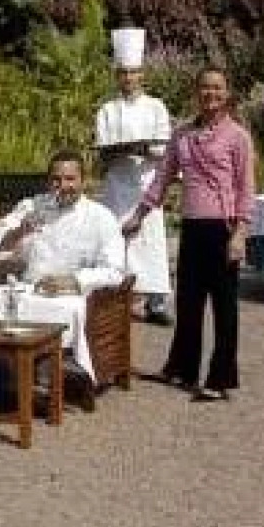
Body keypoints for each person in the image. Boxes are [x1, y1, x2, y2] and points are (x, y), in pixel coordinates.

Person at [130, 68, 255, 402]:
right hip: (192, 226)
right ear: (196, 92)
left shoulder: (238, 137)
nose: (209, 94)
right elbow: (163, 176)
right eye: (204, 87)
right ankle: (182, 366)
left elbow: (246, 188)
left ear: (227, 94)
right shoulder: (182, 134)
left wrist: (240, 233)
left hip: (222, 228)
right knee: (188, 302)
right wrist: (140, 214)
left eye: (217, 88)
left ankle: (221, 377)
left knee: (224, 306)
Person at [0, 149, 125, 383]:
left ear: (82, 180)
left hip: (71, 294)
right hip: (28, 289)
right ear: (48, 181)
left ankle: (52, 373)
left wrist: (74, 281)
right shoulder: (32, 206)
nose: (62, 186)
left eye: (70, 179)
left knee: (69, 310)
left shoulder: (101, 217)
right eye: (56, 179)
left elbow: (115, 270)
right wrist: (17, 232)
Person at [95, 27, 172, 325]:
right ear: (117, 75)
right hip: (117, 183)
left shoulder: (156, 106)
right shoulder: (107, 110)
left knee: (150, 240)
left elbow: (165, 146)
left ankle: (156, 302)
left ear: (142, 74)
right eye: (123, 72)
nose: (129, 78)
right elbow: (102, 149)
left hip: (146, 183)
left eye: (134, 72)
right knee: (116, 240)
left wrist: (146, 149)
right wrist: (117, 152)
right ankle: (116, 299)